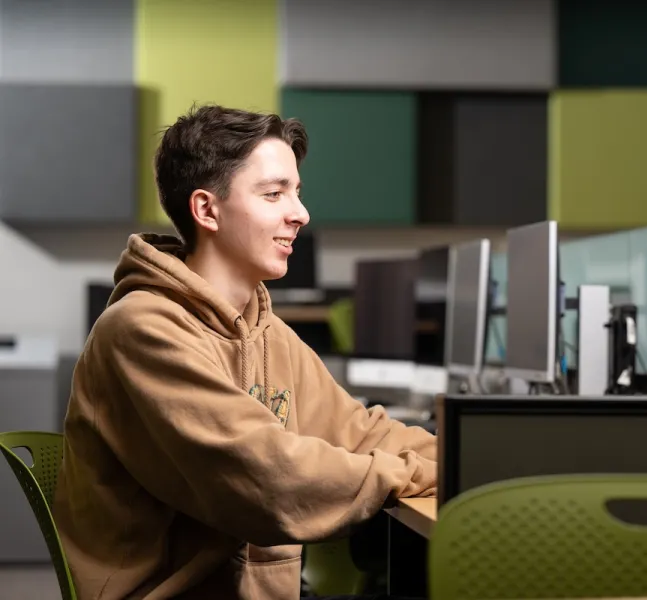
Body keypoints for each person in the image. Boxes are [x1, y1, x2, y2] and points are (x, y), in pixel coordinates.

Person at [53, 104, 437, 600]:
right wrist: (418, 474)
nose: (300, 214)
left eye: (296, 193)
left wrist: (465, 460)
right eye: (274, 194)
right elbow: (274, 481)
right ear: (206, 210)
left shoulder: (265, 330)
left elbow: (360, 432)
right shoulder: (142, 330)